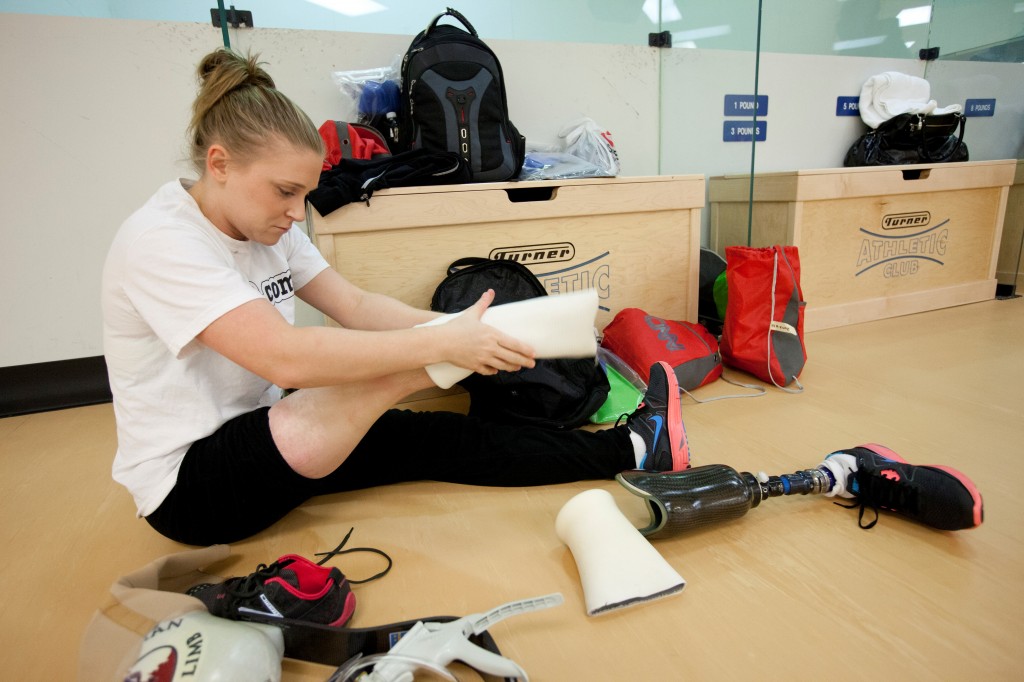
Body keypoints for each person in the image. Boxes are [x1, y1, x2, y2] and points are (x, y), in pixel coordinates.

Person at [101, 49, 690, 547]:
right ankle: (436, 363)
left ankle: (635, 447)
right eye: (285, 192)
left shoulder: (269, 226)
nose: (296, 212)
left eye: (304, 193)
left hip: (275, 433)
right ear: (219, 164)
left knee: (436, 438)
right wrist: (441, 345)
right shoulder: (161, 242)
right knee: (392, 374)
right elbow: (283, 356)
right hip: (194, 489)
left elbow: (355, 307)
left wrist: (463, 329)